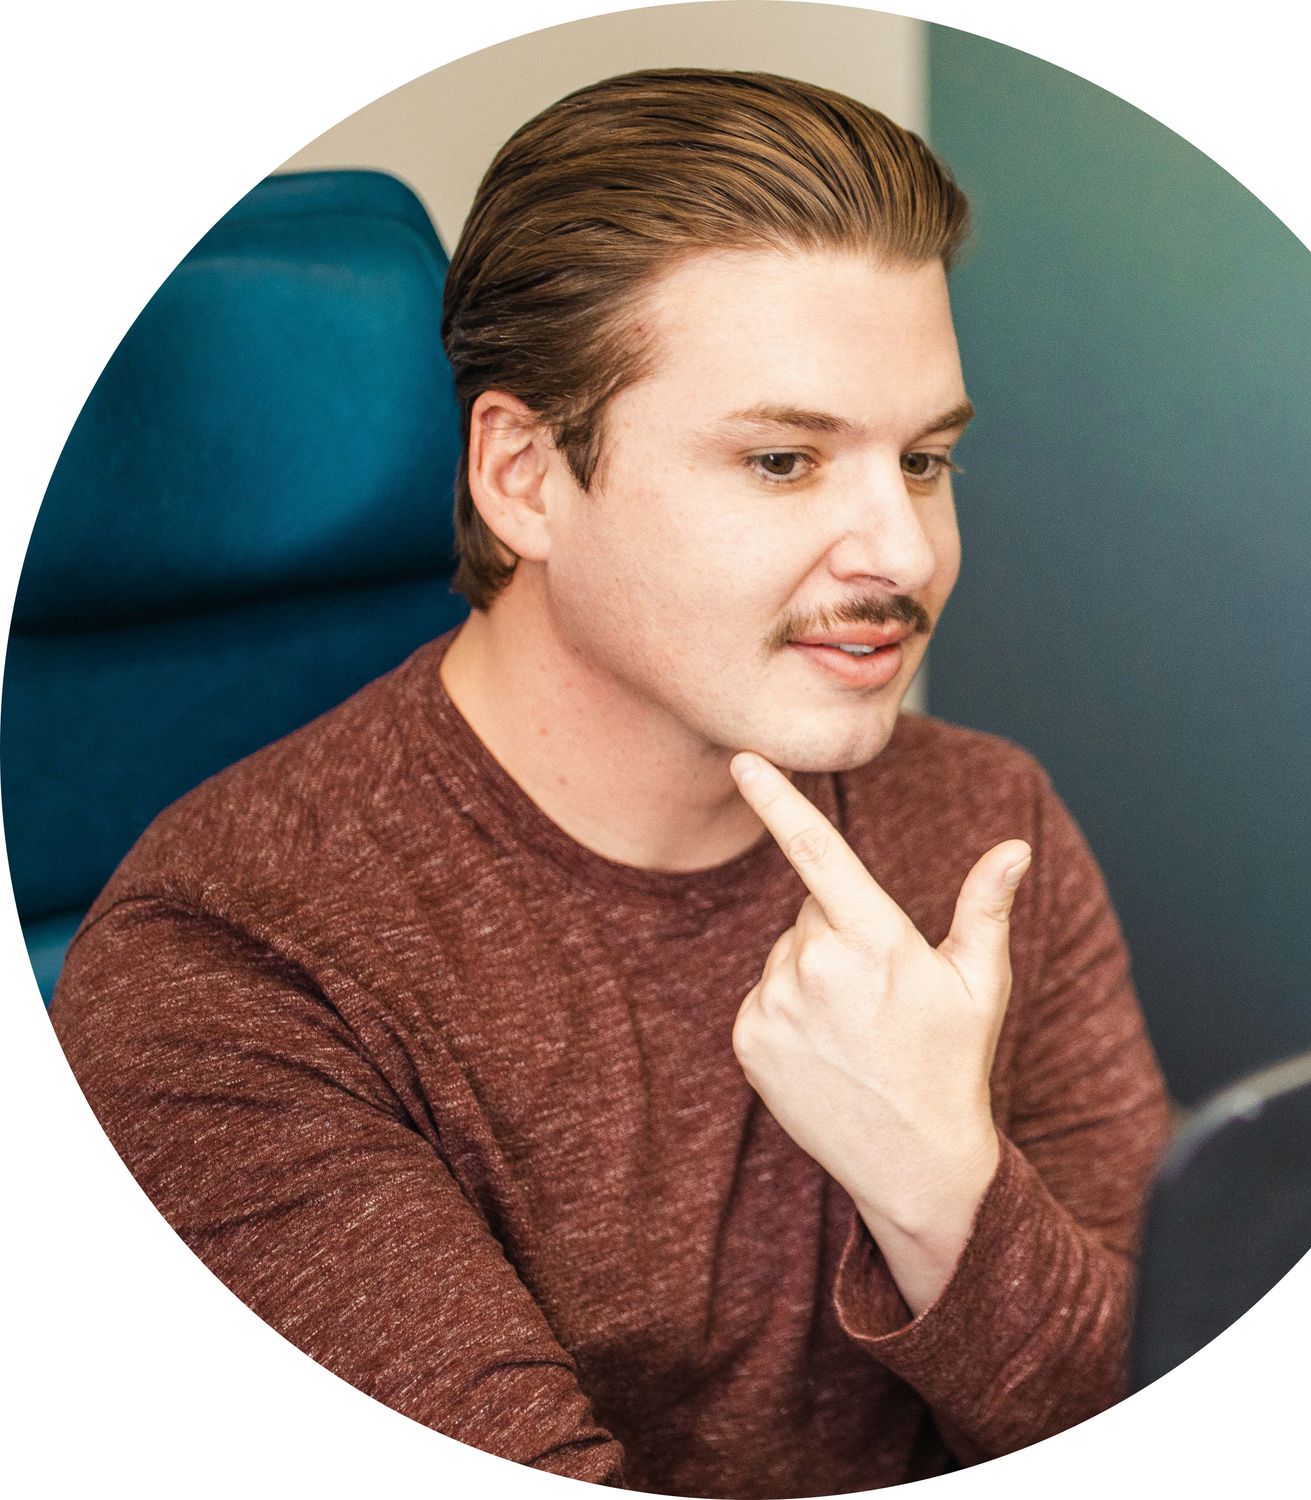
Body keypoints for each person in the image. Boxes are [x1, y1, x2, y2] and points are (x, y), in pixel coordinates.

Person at [50, 69, 1171, 1497]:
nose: (905, 552)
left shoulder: (982, 827)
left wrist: (943, 1193)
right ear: (523, 476)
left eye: (928, 459)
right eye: (784, 459)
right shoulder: (232, 969)